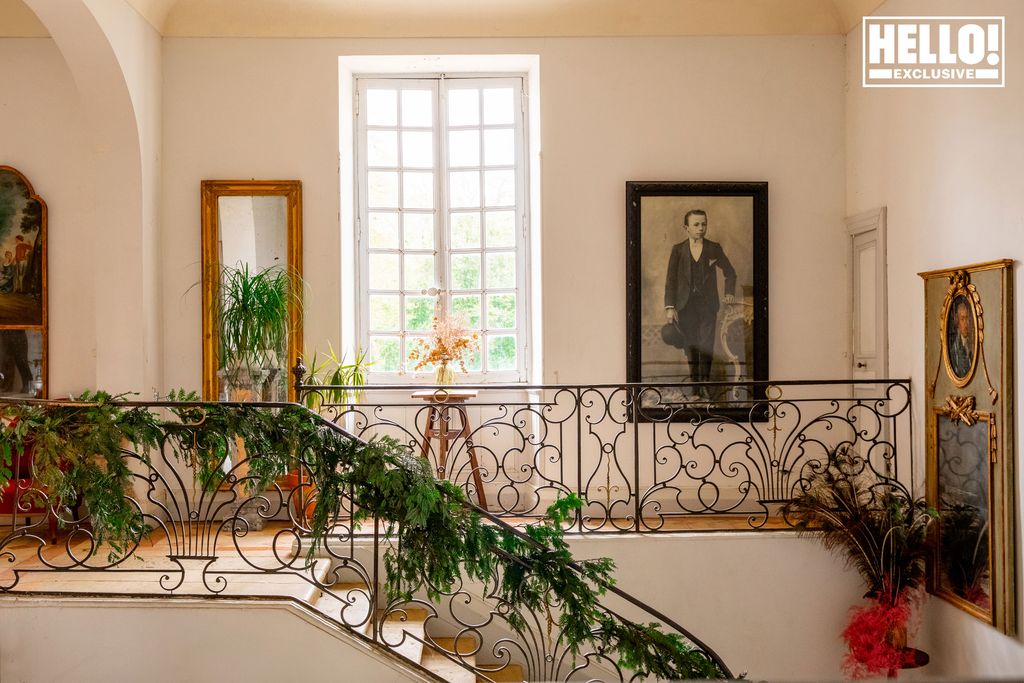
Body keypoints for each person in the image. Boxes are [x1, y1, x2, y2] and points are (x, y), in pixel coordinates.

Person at [663, 209, 736, 395]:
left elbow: (730, 273)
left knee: (706, 345)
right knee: (691, 346)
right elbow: (670, 280)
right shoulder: (678, 250)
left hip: (708, 306)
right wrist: (670, 307)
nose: (701, 228)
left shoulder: (714, 248)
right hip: (685, 307)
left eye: (704, 224)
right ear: (686, 228)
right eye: (696, 224)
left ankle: (705, 385)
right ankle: (695, 389)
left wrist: (729, 293)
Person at [948, 299, 973, 378]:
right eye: (962, 319)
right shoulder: (954, 350)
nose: (966, 323)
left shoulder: (973, 344)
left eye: (967, 318)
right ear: (957, 322)